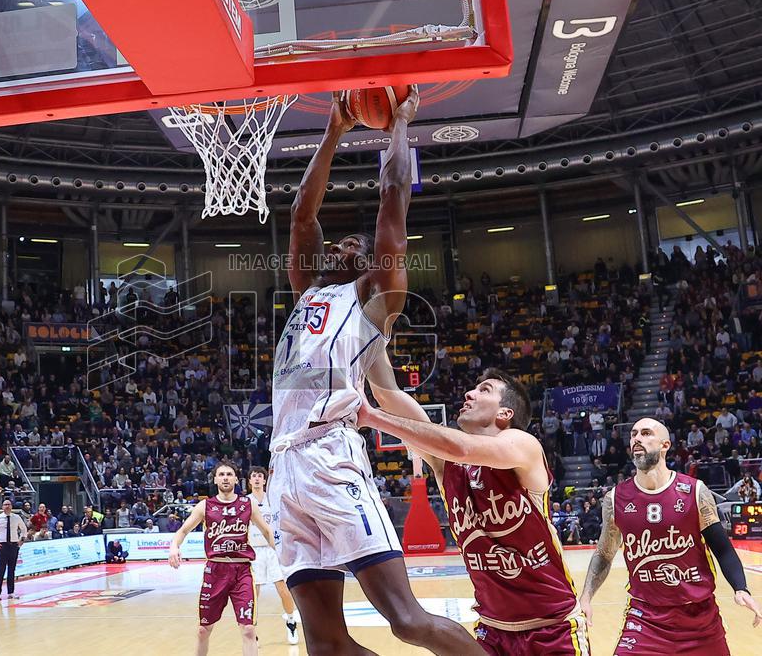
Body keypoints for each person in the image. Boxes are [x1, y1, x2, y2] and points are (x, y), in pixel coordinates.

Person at [270, 87, 480, 656]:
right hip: (284, 467)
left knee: (407, 621)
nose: (339, 243)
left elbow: (392, 198)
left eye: (353, 243)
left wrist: (399, 125)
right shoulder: (309, 290)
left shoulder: (373, 301)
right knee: (326, 647)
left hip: (332, 458)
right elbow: (300, 214)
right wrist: (335, 127)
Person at [357, 361, 590, 654]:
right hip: (492, 630)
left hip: (551, 627)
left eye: (484, 390)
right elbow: (388, 393)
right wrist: (373, 330)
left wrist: (372, 417)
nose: (469, 394)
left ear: (505, 413)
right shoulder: (447, 465)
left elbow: (463, 448)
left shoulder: (522, 445)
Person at [579, 418, 761, 654]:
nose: (637, 438)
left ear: (665, 445)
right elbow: (604, 554)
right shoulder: (615, 499)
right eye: (634, 434)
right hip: (645, 619)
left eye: (646, 433)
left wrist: (741, 588)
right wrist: (586, 596)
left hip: (700, 619)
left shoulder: (696, 491)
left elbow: (723, 549)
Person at [169, 464, 275, 656]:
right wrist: (174, 546)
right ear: (215, 480)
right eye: (221, 475)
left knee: (249, 629)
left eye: (229, 474)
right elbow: (183, 530)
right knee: (203, 630)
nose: (225, 478)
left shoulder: (247, 504)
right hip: (215, 571)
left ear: (236, 479)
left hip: (242, 571)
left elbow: (267, 531)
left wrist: (284, 554)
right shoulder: (205, 506)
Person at [246, 466, 299, 645]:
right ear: (249, 481)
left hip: (274, 549)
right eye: (254, 476)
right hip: (254, 551)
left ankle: (291, 621)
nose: (257, 479)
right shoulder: (245, 501)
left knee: (283, 590)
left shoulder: (273, 498)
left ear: (265, 480)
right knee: (254, 594)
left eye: (260, 476)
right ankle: (252, 631)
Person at [0, 499, 27, 602]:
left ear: (11, 506)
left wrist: (22, 540)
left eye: (9, 504)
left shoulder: (16, 517)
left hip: (13, 545)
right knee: (1, 569)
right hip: (2, 546)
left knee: (11, 570)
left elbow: (24, 529)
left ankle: (11, 592)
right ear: (2, 506)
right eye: (5, 505)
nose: (7, 506)